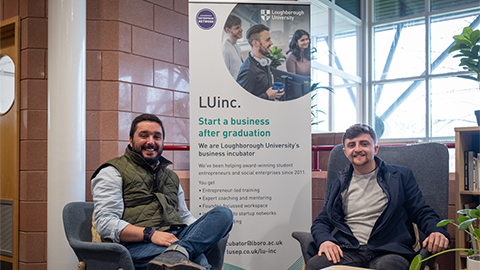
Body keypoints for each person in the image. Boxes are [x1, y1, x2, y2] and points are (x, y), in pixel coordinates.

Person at [91, 113, 233, 270]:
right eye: (143, 136)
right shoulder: (112, 171)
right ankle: (180, 252)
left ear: (162, 142)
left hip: (175, 239)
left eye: (157, 137)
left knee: (223, 214)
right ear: (131, 141)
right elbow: (105, 223)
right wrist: (150, 234)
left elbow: (184, 216)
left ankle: (179, 251)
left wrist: (203, 234)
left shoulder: (171, 177)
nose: (151, 142)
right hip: (136, 246)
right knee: (198, 261)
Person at [306, 124, 449, 270]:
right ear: (345, 152)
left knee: (389, 266)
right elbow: (322, 220)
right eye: (351, 145)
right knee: (314, 266)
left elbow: (421, 211)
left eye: (364, 144)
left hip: (388, 250)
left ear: (375, 149)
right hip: (350, 249)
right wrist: (325, 240)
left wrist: (436, 231)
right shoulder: (339, 183)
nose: (357, 149)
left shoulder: (399, 177)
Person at [236, 24, 284, 100]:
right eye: (267, 40)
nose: (271, 43)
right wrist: (267, 96)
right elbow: (241, 101)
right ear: (255, 43)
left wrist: (272, 94)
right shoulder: (249, 71)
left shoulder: (263, 62)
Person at [222, 15, 244, 79]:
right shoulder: (225, 50)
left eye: (240, 27)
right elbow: (225, 75)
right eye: (237, 28)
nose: (241, 30)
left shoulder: (236, 46)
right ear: (228, 30)